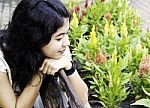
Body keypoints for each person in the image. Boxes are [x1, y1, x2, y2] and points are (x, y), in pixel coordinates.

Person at [0, 0, 91, 107]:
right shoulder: (2, 58)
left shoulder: (59, 48)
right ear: (36, 39)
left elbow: (83, 101)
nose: (67, 42)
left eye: (66, 34)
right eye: (59, 38)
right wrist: (41, 72)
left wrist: (69, 67)